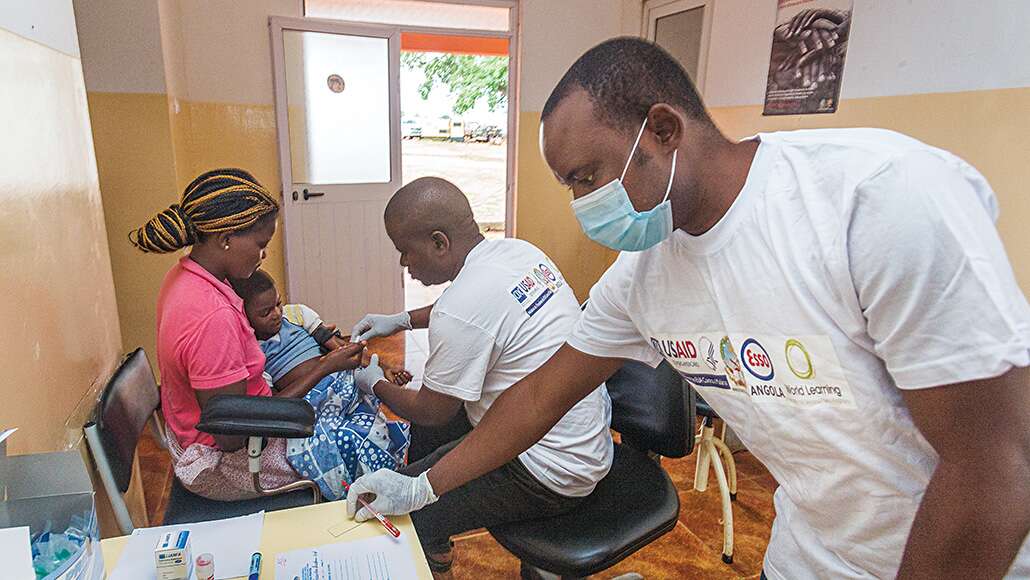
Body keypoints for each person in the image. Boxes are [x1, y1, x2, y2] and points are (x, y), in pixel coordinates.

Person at [345, 39, 1030, 579]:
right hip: (813, 551)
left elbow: (996, 461)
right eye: (569, 186)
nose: (583, 206)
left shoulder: (876, 201)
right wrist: (420, 489)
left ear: (665, 129)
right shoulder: (642, 276)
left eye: (588, 177)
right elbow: (537, 399)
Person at [347, 177, 613, 576]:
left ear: (439, 243)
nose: (404, 263)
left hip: (547, 473)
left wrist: (373, 382)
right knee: (432, 437)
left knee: (398, 512)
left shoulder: (462, 306)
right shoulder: (518, 252)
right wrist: (401, 321)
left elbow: (431, 409)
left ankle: (427, 539)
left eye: (405, 251)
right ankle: (437, 543)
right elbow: (474, 306)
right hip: (585, 443)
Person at [132, 168, 365, 500]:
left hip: (204, 430)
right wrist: (324, 366)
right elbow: (234, 435)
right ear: (225, 238)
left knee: (348, 402)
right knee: (360, 443)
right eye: (260, 244)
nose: (263, 255)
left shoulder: (183, 276)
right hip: (229, 463)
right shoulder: (212, 317)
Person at [230, 269, 411, 500]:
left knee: (375, 425)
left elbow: (339, 348)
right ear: (245, 316)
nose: (276, 314)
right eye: (265, 312)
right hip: (310, 402)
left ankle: (391, 474)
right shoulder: (253, 352)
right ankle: (359, 490)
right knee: (341, 438)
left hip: (340, 383)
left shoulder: (297, 316)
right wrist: (323, 368)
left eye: (278, 304)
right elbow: (275, 402)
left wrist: (382, 366)